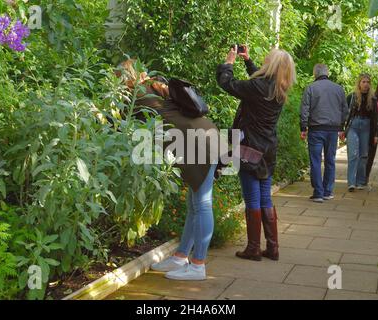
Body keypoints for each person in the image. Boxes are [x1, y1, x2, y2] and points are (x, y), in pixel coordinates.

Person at [117, 59, 218, 281]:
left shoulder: (138, 94)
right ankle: (181, 257)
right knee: (195, 203)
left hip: (196, 142)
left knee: (202, 204)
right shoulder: (153, 84)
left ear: (124, 80)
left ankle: (198, 266)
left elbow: (119, 123)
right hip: (203, 135)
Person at [216, 46, 296, 261]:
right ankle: (272, 247)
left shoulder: (259, 87)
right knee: (265, 198)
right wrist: (247, 61)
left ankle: (253, 248)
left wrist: (229, 63)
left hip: (249, 148)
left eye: (266, 60)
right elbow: (259, 82)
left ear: (271, 66)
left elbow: (228, 84)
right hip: (267, 149)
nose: (263, 61)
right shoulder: (279, 88)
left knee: (252, 199)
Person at [300, 64, 348, 203]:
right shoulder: (338, 89)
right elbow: (345, 110)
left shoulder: (310, 88)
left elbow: (304, 109)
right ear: (328, 73)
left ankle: (318, 193)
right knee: (330, 160)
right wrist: (341, 126)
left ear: (315, 74)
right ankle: (328, 191)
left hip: (316, 129)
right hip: (333, 130)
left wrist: (303, 127)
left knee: (315, 161)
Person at [344, 74, 378, 192]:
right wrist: (341, 129)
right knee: (353, 154)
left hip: (366, 127)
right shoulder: (352, 97)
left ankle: (360, 182)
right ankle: (351, 182)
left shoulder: (373, 99)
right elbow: (344, 114)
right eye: (363, 82)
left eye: (368, 82)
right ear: (359, 83)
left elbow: (376, 118)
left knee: (364, 155)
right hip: (353, 126)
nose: (366, 84)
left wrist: (376, 134)